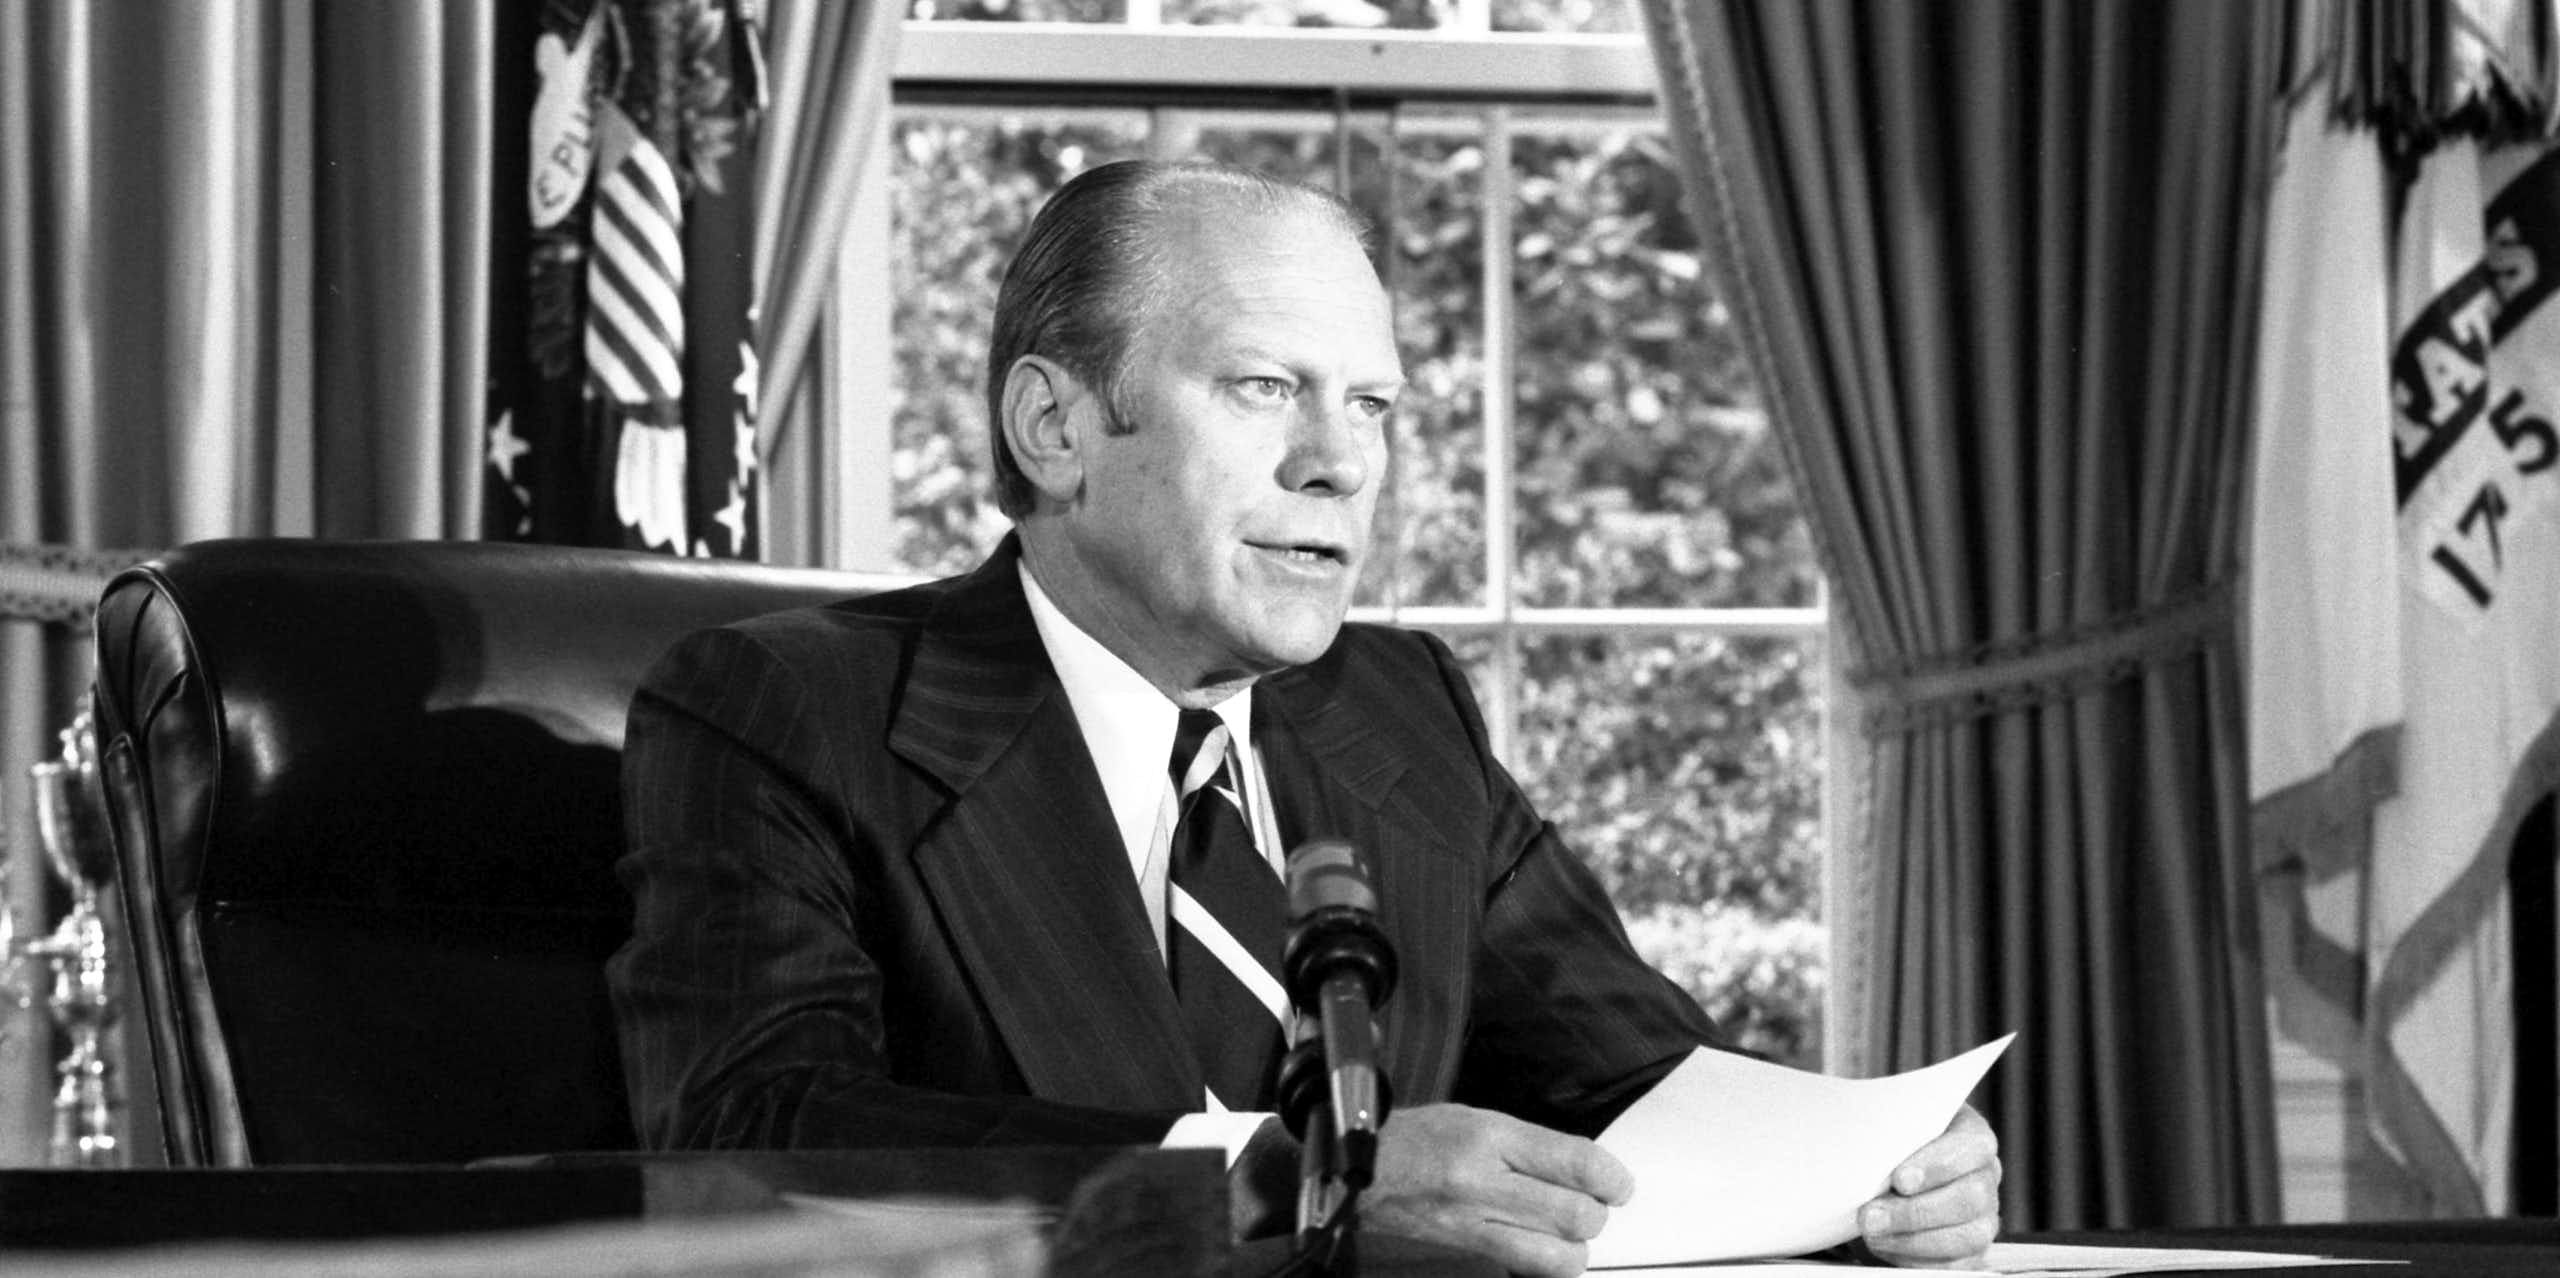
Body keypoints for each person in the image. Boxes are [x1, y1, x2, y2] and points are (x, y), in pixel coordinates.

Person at [608, 158, 1999, 1275]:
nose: (1342, 464)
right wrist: (1292, 1188)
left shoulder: (1396, 710)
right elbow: (753, 1142)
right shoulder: (786, 709)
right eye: (1265, 388)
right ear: (1055, 426)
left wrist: (1871, 1166)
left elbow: (1636, 1083)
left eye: (1375, 406)